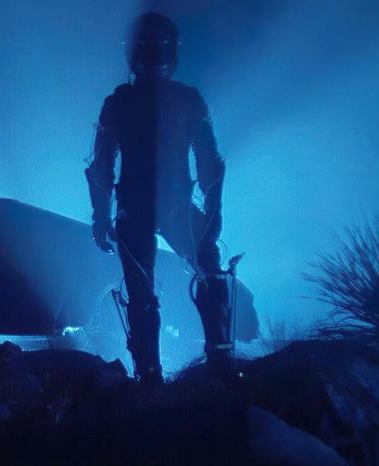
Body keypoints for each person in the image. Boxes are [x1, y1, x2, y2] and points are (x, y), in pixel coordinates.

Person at [85, 12, 233, 384]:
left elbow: (101, 167)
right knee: (208, 274)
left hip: (138, 207)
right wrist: (213, 215)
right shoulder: (186, 99)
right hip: (173, 206)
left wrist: (100, 217)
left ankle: (152, 374)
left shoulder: (120, 102)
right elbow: (210, 163)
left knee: (143, 291)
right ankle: (218, 360)